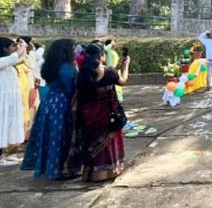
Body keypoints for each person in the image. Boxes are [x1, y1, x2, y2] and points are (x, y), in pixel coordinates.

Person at [21, 39, 80, 179]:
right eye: (73, 49)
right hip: (61, 103)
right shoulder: (66, 68)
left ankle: (50, 168)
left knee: (50, 135)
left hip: (49, 102)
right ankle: (58, 169)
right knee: (60, 136)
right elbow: (70, 88)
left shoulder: (50, 65)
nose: (75, 52)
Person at [77, 43, 130, 181]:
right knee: (110, 141)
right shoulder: (108, 72)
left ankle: (92, 172)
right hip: (107, 114)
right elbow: (123, 81)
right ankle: (110, 170)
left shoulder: (82, 73)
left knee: (91, 140)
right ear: (101, 56)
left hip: (88, 114)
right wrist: (126, 66)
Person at [0, 38, 26, 167]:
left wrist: (22, 47)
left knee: (7, 126)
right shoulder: (3, 61)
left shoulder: (8, 63)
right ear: (4, 49)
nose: (13, 49)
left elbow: (19, 58)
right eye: (11, 47)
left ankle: (4, 155)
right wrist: (21, 48)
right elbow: (15, 57)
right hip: (2, 102)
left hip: (9, 102)